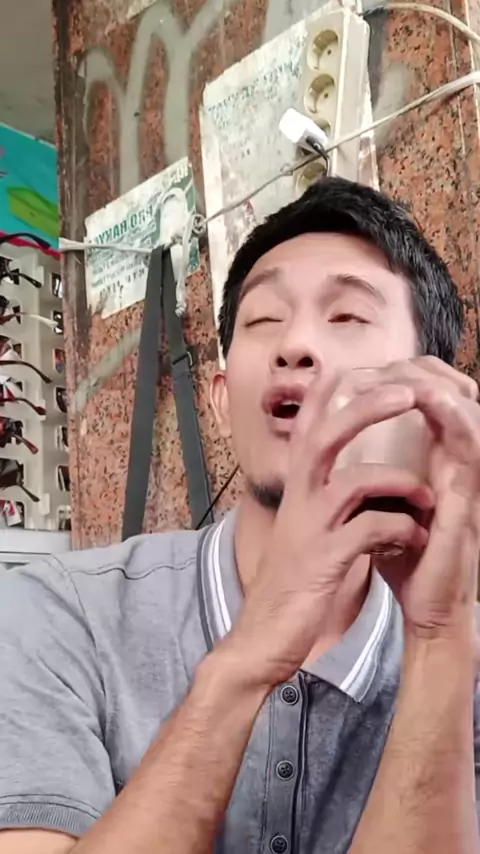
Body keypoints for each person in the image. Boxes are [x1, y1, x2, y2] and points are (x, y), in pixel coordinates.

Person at [0, 176, 479, 854]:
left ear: (434, 400)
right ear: (222, 404)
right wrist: (250, 657)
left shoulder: (462, 658)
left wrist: (440, 640)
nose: (296, 343)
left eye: (347, 316)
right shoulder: (57, 615)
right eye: (263, 320)